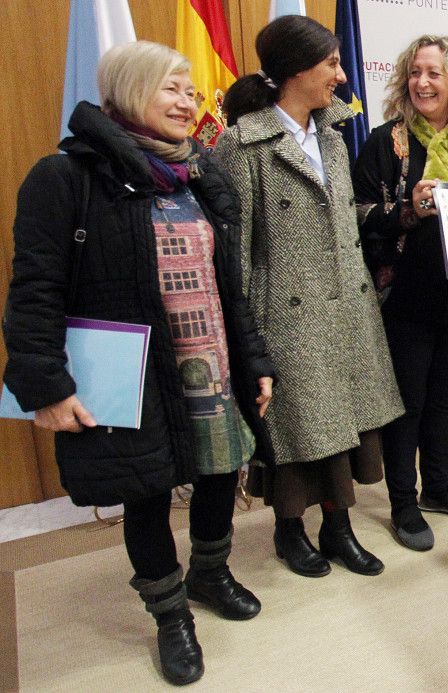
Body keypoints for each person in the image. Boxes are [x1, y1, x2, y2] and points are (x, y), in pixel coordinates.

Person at [4, 41, 274, 686]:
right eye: (171, 89)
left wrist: (254, 357)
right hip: (134, 375)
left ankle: (211, 572)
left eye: (190, 90)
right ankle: (170, 612)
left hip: (211, 361)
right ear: (128, 92)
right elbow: (34, 287)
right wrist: (44, 383)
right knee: (146, 491)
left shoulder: (202, 175)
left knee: (219, 470)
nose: (189, 103)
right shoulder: (65, 176)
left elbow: (228, 284)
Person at [215, 15, 404, 578]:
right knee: (298, 435)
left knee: (345, 425)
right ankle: (289, 532)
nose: (342, 77)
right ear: (295, 71)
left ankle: (339, 529)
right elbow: (237, 254)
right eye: (331, 65)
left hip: (346, 307)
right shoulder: (241, 145)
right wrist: (249, 343)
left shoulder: (331, 135)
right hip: (287, 317)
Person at [352, 35, 448, 552]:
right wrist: (407, 209)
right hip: (406, 299)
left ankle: (438, 486)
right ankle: (404, 503)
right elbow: (359, 215)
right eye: (416, 72)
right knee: (409, 404)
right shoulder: (383, 142)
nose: (423, 82)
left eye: (434, 72)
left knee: (444, 399)